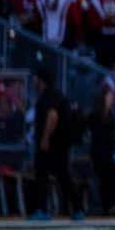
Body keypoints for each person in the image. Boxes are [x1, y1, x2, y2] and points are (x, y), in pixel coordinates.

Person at [29, 67, 81, 221]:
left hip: (50, 145)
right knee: (64, 178)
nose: (34, 81)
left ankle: (42, 210)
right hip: (61, 145)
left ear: (42, 80)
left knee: (42, 178)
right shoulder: (58, 95)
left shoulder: (48, 96)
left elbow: (52, 116)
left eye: (36, 78)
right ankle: (78, 209)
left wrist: (45, 138)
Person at [87, 87, 115, 215]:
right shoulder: (95, 115)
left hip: (111, 152)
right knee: (104, 180)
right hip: (100, 152)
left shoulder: (111, 114)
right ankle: (106, 207)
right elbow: (97, 134)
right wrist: (113, 134)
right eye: (109, 97)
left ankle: (110, 204)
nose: (112, 100)